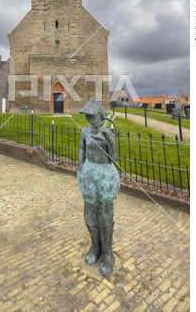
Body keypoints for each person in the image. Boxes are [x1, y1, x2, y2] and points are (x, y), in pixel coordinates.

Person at [77, 99, 120, 278]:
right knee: (89, 214)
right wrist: (80, 165)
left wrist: (109, 139)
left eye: (92, 116)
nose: (89, 119)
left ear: (101, 116)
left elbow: (114, 157)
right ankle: (95, 245)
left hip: (105, 174)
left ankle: (108, 252)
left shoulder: (108, 132)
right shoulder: (85, 132)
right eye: (87, 116)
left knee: (105, 215)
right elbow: (81, 149)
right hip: (89, 173)